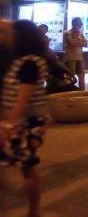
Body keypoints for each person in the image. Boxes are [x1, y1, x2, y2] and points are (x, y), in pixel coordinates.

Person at [0, 20, 49, 217]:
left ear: (22, 36)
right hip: (16, 121)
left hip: (27, 123)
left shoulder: (30, 63)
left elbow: (23, 99)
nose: (8, 36)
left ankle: (34, 212)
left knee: (28, 168)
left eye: (11, 33)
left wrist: (7, 126)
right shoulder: (20, 60)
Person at [63, 17, 87, 90]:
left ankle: (82, 92)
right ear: (74, 23)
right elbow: (72, 43)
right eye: (80, 22)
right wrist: (80, 42)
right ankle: (70, 91)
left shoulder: (81, 33)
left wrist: (79, 42)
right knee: (71, 75)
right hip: (70, 57)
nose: (81, 24)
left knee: (82, 75)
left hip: (80, 57)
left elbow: (85, 43)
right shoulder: (67, 32)